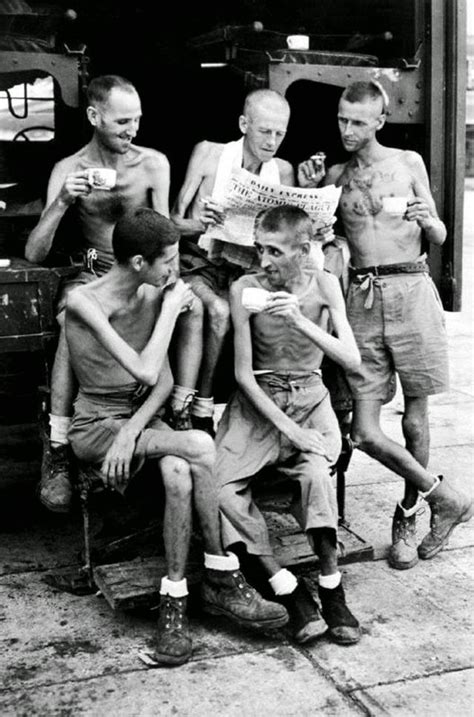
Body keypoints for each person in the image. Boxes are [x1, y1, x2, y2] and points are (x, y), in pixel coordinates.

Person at [65, 207, 288, 667]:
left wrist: (131, 433)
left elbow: (162, 382)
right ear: (139, 263)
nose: (177, 269)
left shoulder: (150, 294)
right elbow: (143, 368)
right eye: (168, 260)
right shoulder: (85, 302)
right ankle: (222, 574)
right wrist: (171, 308)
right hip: (95, 426)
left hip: (138, 421)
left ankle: (176, 600)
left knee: (179, 472)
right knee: (201, 445)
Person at [299, 80, 473, 570]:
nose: (348, 129)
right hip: (362, 294)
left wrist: (428, 218)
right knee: (363, 429)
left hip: (412, 288)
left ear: (380, 119)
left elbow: (438, 233)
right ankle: (446, 496)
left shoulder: (408, 162)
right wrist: (312, 187)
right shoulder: (335, 174)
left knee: (416, 419)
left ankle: (409, 513)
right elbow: (316, 235)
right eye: (342, 119)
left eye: (358, 121)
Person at [24, 75, 202, 513]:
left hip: (144, 270)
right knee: (71, 317)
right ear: (94, 117)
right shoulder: (68, 169)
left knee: (198, 309)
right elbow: (35, 253)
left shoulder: (154, 163)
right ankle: (60, 442)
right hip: (92, 273)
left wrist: (177, 276)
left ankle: (182, 407)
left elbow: (163, 239)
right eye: (123, 121)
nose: (132, 131)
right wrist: (63, 201)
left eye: (137, 121)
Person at [216, 205, 362, 646]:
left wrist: (299, 318)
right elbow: (243, 374)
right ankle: (285, 587)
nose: (264, 260)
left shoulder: (325, 284)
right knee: (219, 490)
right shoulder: (245, 288)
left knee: (317, 474)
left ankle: (332, 587)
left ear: (304, 250)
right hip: (258, 401)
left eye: (275, 251)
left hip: (310, 395)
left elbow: (351, 359)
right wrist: (290, 431)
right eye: (260, 248)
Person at [171, 89, 308, 435]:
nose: (272, 141)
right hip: (198, 265)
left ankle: (272, 408)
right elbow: (171, 223)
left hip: (245, 271)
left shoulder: (283, 171)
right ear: (244, 124)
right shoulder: (209, 154)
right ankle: (201, 407)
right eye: (265, 131)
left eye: (280, 133)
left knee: (284, 311)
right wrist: (201, 222)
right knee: (218, 312)